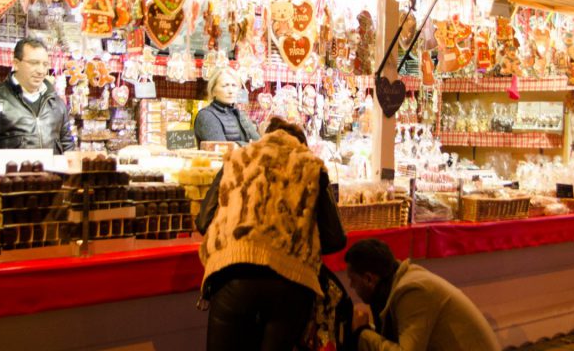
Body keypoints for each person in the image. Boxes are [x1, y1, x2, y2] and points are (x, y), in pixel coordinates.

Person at [196, 117, 346, 351]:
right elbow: (335, 239)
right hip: (292, 286)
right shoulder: (312, 167)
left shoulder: (238, 158)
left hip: (232, 277)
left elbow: (203, 221)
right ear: (300, 146)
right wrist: (297, 237)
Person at [344, 238, 501, 351]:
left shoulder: (411, 290)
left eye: (352, 280)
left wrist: (362, 332)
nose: (351, 286)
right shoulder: (400, 281)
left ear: (369, 279)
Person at [0, 37, 75, 155]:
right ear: (16, 64)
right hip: (8, 173)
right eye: (34, 63)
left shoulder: (57, 104)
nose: (41, 71)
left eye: (45, 64)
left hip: (52, 173)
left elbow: (68, 147)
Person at [193, 67, 259, 147]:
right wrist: (248, 146)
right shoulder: (206, 116)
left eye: (234, 85)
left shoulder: (240, 114)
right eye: (225, 86)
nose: (230, 91)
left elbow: (260, 144)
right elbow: (221, 149)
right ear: (213, 91)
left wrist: (237, 145)